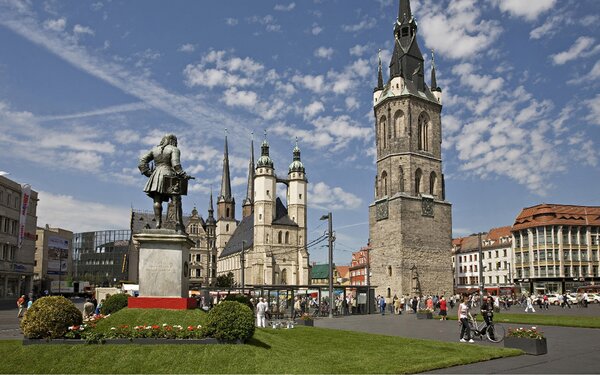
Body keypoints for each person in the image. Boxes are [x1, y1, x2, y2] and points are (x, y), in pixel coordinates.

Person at [138, 133, 192, 232]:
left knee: (157, 200)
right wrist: (184, 174)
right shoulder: (174, 149)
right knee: (176, 200)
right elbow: (176, 164)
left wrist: (147, 173)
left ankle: (158, 223)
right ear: (173, 141)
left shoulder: (155, 150)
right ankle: (179, 225)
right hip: (169, 175)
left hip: (156, 175)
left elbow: (142, 161)